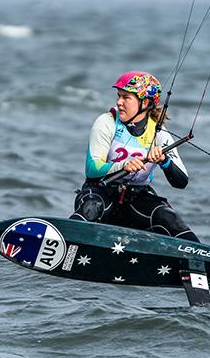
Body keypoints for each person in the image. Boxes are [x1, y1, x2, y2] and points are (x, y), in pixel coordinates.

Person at [70, 71, 199, 242]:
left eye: (126, 97)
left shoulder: (160, 134)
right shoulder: (106, 122)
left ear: (145, 103)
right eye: (118, 96)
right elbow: (92, 170)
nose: (119, 102)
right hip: (101, 192)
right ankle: (65, 242)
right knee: (91, 206)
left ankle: (202, 262)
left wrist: (164, 160)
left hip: (137, 198)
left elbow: (181, 182)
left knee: (169, 218)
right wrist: (123, 166)